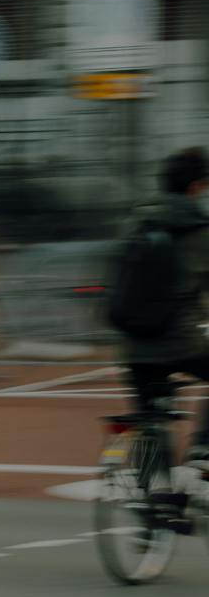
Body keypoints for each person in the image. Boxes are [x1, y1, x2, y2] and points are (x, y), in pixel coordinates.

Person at [119, 148, 209, 514]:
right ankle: (203, 449)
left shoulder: (135, 224)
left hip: (132, 345)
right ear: (195, 187)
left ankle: (152, 503)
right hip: (180, 342)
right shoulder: (200, 231)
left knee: (148, 415)